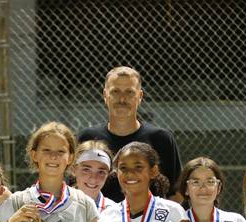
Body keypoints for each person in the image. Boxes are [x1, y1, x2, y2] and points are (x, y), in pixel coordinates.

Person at [77, 66, 182, 202]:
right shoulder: (87, 138)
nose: (122, 99)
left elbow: (176, 193)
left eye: (129, 92)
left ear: (140, 96)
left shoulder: (161, 138)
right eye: (115, 91)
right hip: (98, 221)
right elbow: (73, 187)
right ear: (105, 95)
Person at [70, 140, 117, 213]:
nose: (93, 178)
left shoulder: (115, 211)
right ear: (73, 169)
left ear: (108, 174)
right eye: (86, 170)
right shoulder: (56, 206)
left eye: (101, 172)